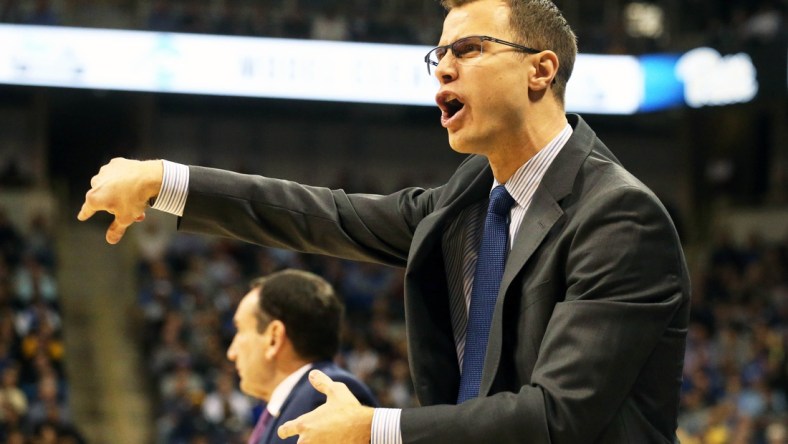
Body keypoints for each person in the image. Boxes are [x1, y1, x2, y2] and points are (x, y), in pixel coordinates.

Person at [78, 0, 691, 442]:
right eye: (440, 54)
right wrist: (166, 181)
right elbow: (326, 215)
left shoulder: (618, 216)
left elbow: (556, 419)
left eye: (469, 49)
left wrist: (375, 428)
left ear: (541, 70)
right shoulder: (470, 200)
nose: (444, 68)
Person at [227, 269, 377, 444]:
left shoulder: (325, 396)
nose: (231, 353)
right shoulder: (289, 405)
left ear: (274, 338)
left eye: (240, 331)